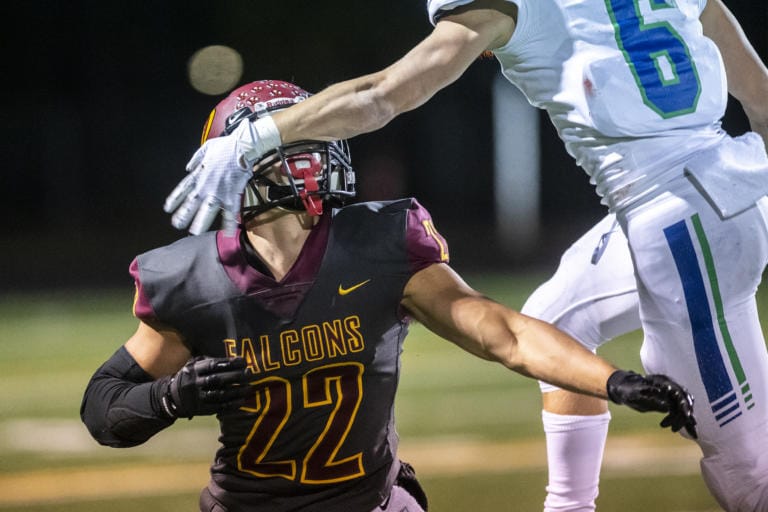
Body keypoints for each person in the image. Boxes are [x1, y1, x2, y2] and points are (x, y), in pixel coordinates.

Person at [162, 1, 768, 511]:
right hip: (730, 179)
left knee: (747, 474)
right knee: (557, 320)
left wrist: (260, 135)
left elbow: (384, 94)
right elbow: (758, 91)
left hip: (679, 223)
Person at [82, 80, 696, 512]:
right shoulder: (193, 280)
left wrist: (611, 382)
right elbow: (104, 411)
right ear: (242, 166)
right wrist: (171, 396)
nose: (317, 154)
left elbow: (500, 331)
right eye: (293, 143)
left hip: (372, 502)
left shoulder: (377, 242)